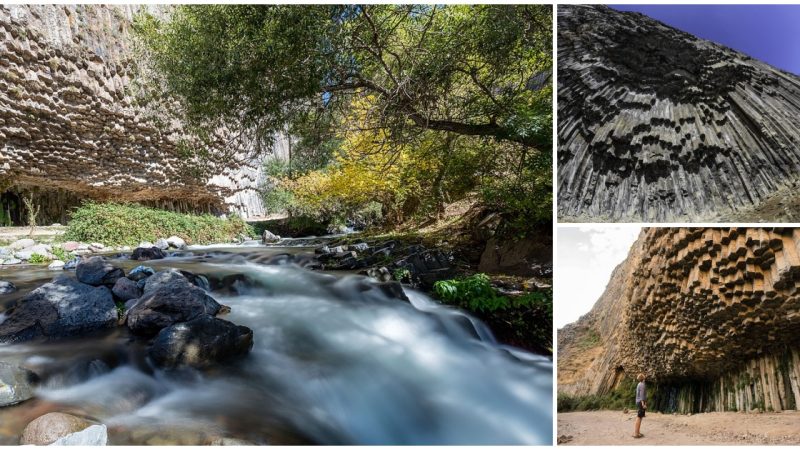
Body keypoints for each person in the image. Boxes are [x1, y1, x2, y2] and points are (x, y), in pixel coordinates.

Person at [633, 373, 646, 438]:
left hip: (638, 402)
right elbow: (642, 395)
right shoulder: (642, 385)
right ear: (643, 378)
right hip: (641, 403)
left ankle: (638, 432)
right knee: (639, 417)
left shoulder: (639, 384)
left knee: (640, 417)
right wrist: (643, 404)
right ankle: (636, 433)